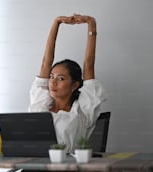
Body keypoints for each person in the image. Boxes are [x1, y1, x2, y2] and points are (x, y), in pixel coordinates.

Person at [28, 14, 106, 153]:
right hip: (35, 163)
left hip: (67, 166)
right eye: (52, 77)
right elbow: (46, 62)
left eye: (61, 78)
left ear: (75, 85)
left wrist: (91, 24)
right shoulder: (41, 105)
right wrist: (56, 23)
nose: (53, 82)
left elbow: (88, 65)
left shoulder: (82, 110)